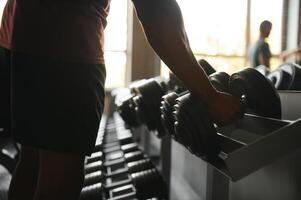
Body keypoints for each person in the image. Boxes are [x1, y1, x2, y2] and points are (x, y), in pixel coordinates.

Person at [0, 0, 243, 199]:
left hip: (20, 31)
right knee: (61, 178)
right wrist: (210, 97)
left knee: (33, 162)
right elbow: (157, 12)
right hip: (66, 41)